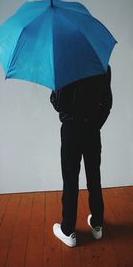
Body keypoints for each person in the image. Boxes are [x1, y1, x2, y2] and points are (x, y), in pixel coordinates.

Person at [50, 65, 113, 247]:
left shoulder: (65, 67)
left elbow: (59, 104)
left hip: (71, 130)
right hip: (92, 129)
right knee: (94, 177)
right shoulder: (102, 66)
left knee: (70, 180)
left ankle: (68, 230)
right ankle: (97, 225)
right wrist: (94, 125)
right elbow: (107, 103)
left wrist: (55, 90)